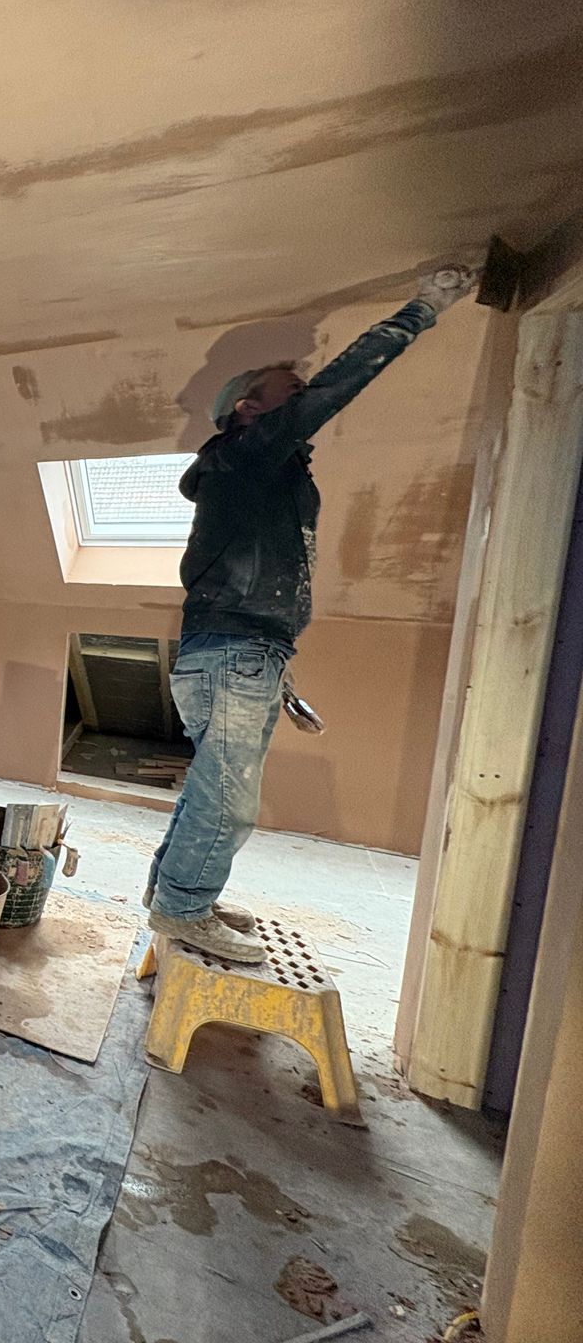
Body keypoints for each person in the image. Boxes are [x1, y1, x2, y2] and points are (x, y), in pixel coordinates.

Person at [146, 265, 478, 962]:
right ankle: (184, 909)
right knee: (230, 800)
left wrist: (279, 672)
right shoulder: (244, 456)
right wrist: (422, 309)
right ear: (249, 410)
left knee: (213, 784)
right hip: (234, 649)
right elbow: (335, 388)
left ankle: (175, 895)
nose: (304, 396)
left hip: (247, 650)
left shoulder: (262, 472)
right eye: (287, 393)